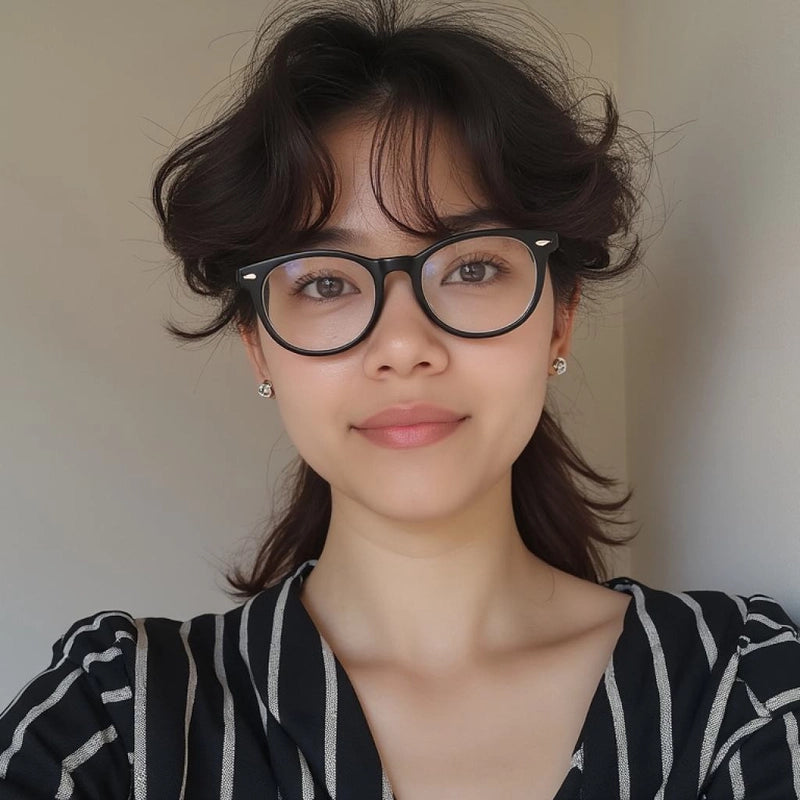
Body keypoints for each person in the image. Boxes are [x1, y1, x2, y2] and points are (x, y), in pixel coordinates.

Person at [2, 1, 799, 798]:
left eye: (472, 268)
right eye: (324, 282)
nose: (403, 344)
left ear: (560, 318)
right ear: (258, 344)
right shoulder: (116, 719)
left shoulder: (740, 690)